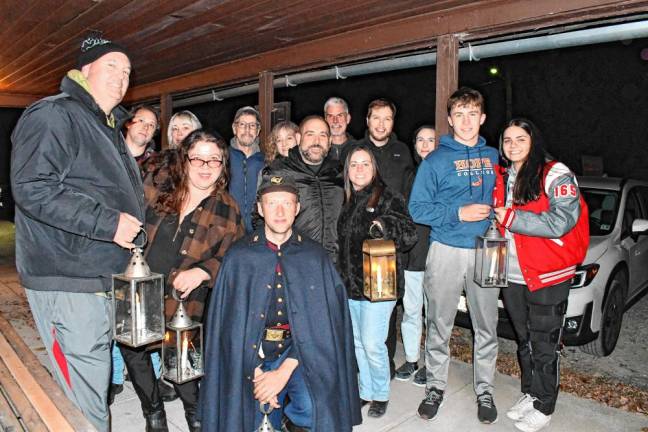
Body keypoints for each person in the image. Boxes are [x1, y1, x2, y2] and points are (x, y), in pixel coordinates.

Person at [11, 34, 143, 432]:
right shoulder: (55, 115)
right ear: (83, 70)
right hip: (68, 277)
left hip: (98, 276)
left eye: (127, 71)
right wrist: (109, 223)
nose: (121, 78)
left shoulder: (105, 126)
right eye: (111, 67)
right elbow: (33, 187)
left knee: (94, 379)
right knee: (82, 398)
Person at [199, 174, 362, 431]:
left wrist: (283, 372)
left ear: (297, 208)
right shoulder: (239, 257)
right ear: (260, 209)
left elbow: (325, 329)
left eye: (287, 203)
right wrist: (259, 376)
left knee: (315, 410)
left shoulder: (314, 257)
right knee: (251, 420)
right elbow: (226, 330)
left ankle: (291, 414)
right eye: (271, 203)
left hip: (297, 354)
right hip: (251, 358)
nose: (279, 211)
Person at [119, 130, 244, 432]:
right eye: (197, 157)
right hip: (141, 288)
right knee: (132, 351)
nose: (205, 165)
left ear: (223, 165)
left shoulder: (228, 208)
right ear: (184, 160)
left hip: (184, 301)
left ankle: (196, 417)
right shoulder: (157, 188)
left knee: (183, 363)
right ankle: (153, 413)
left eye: (214, 159)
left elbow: (239, 259)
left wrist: (203, 271)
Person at [409, 87, 500, 424]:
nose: (466, 121)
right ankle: (435, 386)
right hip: (446, 247)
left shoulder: (494, 157)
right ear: (449, 120)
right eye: (459, 115)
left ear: (483, 118)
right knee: (439, 322)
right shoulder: (435, 160)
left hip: (488, 249)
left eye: (472, 114)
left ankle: (486, 389)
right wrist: (458, 212)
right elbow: (417, 208)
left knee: (487, 324)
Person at [493, 118, 589, 432]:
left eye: (520, 139)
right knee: (524, 341)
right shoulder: (505, 175)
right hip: (513, 275)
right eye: (507, 140)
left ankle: (545, 405)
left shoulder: (555, 173)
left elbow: (561, 220)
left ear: (534, 140)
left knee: (545, 344)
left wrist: (512, 217)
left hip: (549, 275)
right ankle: (531, 392)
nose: (513, 145)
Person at [338, 146, 417, 418]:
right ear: (347, 171)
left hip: (379, 288)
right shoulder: (348, 201)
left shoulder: (387, 197)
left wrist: (385, 225)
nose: (359, 169)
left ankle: (381, 394)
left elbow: (409, 235)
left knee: (373, 344)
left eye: (365, 164)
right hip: (352, 288)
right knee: (359, 343)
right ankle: (365, 391)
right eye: (354, 164)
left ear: (374, 169)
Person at [354, 98, 414, 377]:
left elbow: (409, 198)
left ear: (393, 122)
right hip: (357, 246)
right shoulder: (355, 151)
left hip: (388, 246)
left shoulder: (402, 152)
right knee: (359, 311)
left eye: (387, 119)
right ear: (367, 121)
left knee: (385, 310)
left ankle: (385, 364)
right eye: (376, 118)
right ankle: (360, 366)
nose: (381, 124)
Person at [263, 115, 344, 263]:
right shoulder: (279, 172)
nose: (316, 142)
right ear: (299, 138)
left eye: (323, 135)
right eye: (310, 134)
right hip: (295, 264)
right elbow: (260, 217)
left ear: (330, 141)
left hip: (335, 265)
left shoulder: (339, 172)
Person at [394, 126, 435, 386]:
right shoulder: (408, 174)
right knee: (410, 311)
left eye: (431, 140)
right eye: (420, 139)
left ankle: (432, 365)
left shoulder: (444, 175)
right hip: (411, 254)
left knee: (434, 314)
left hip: (436, 254)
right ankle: (411, 359)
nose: (425, 144)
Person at [229, 106, 265, 233]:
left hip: (258, 230)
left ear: (258, 130)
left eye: (252, 125)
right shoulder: (222, 157)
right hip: (228, 229)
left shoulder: (265, 161)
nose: (247, 130)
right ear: (234, 128)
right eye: (242, 124)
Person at [324, 97, 355, 161]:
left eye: (339, 115)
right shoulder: (318, 150)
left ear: (348, 119)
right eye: (330, 116)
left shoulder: (359, 148)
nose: (335, 121)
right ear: (325, 120)